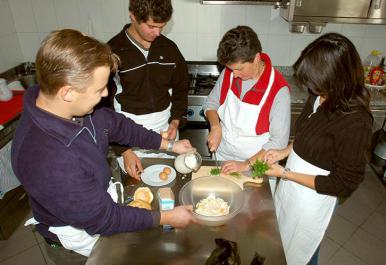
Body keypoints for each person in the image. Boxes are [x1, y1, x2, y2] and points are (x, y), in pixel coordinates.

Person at [11, 29, 196, 265]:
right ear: (67, 92)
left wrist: (169, 144)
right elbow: (104, 220)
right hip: (77, 244)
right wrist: (165, 217)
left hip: (97, 206)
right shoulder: (46, 157)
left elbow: (118, 125)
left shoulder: (69, 105)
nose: (107, 93)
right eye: (99, 90)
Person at [263, 33, 373, 265]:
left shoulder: (356, 121)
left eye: (316, 82)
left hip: (313, 200)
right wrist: (284, 152)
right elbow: (308, 137)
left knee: (301, 253)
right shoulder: (319, 95)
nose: (311, 88)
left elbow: (345, 183)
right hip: (291, 190)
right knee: (280, 243)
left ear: (336, 79)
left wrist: (285, 173)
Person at [202, 25, 291, 195]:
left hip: (257, 167)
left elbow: (278, 144)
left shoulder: (278, 90)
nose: (234, 75)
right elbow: (211, 103)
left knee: (253, 216)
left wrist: (245, 165)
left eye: (239, 69)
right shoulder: (230, 73)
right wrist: (216, 127)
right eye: (231, 69)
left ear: (257, 58)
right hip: (223, 158)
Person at [107, 0, 189, 179]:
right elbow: (104, 106)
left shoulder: (169, 48)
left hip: (164, 127)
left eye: (162, 26)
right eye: (152, 26)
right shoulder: (113, 51)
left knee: (169, 182)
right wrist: (124, 150)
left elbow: (181, 87)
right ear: (133, 16)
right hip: (128, 132)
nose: (158, 33)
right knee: (136, 190)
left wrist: (175, 120)